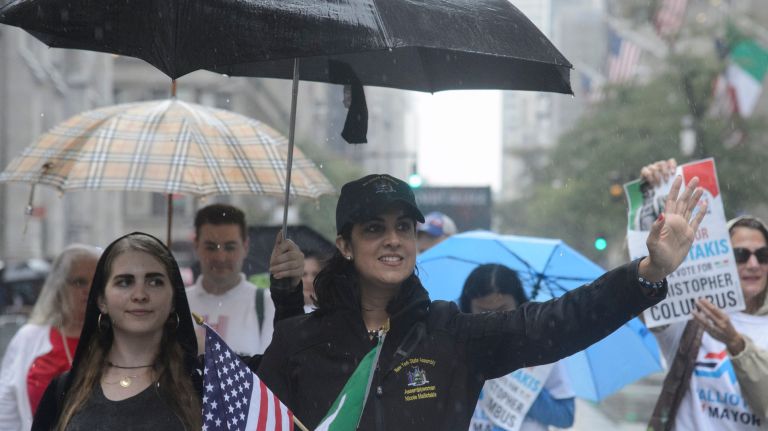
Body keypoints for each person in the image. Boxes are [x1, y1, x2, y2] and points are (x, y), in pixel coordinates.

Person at [258, 172, 705, 430]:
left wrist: (647, 274)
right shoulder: (299, 341)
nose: (393, 240)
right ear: (346, 245)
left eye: (404, 228)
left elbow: (556, 323)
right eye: (374, 228)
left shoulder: (450, 332)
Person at [641, 159, 768, 430]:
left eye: (763, 255)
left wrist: (735, 343)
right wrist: (652, 196)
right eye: (741, 255)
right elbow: (644, 296)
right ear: (724, 257)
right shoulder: (692, 316)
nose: (753, 265)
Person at [31, 232, 202, 430]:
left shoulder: (204, 386)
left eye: (155, 281)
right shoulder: (64, 390)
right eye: (125, 282)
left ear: (174, 299)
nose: (140, 295)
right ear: (101, 300)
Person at [460, 264, 575, 431]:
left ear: (518, 304)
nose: (493, 320)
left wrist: (516, 386)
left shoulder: (542, 349)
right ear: (468, 308)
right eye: (483, 312)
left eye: (502, 310)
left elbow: (565, 415)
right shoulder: (456, 348)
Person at [0, 244, 100, 431]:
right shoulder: (29, 339)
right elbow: (6, 410)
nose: (89, 290)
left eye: (96, 282)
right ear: (60, 286)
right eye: (80, 282)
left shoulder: (117, 340)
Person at [186, 204, 303, 356]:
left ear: (245, 246)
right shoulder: (176, 304)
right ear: (196, 246)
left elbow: (273, 368)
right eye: (211, 247)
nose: (221, 257)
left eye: (230, 247)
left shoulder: (268, 304)